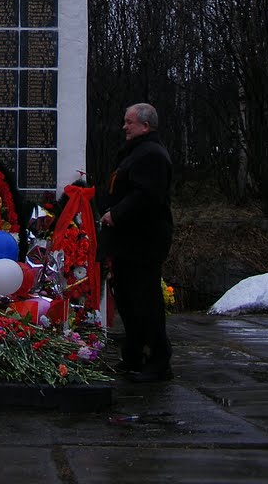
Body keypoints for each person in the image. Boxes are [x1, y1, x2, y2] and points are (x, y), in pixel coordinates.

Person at [98, 102, 174, 382]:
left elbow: (146, 196)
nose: (124, 127)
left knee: (146, 301)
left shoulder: (151, 154)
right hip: (129, 241)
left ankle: (159, 360)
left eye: (129, 122)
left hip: (144, 241)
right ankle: (133, 356)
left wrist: (115, 215)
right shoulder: (137, 152)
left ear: (145, 125)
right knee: (129, 301)